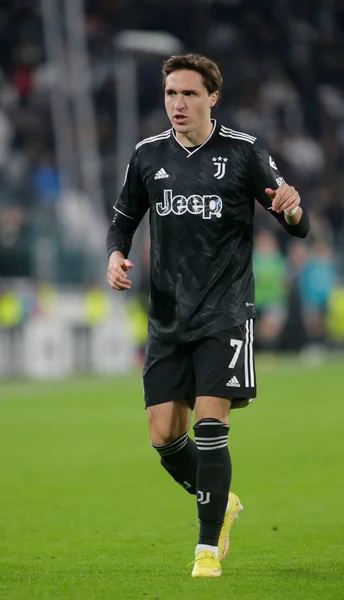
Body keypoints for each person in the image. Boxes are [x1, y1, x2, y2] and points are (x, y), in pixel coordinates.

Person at [106, 53, 310, 579]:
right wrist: (115, 254)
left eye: (189, 94)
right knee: (163, 436)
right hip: (168, 315)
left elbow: (296, 222)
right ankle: (223, 501)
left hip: (225, 311)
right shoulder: (148, 155)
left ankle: (204, 549)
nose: (178, 103)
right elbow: (124, 217)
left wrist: (291, 210)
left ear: (212, 97)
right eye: (172, 93)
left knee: (210, 425)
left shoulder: (243, 153)